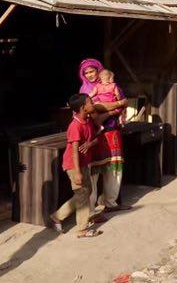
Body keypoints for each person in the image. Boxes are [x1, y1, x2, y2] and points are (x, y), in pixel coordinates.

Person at [79, 59, 128, 214]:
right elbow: (93, 108)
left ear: (99, 71)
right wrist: (114, 108)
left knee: (114, 169)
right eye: (86, 73)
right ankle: (90, 210)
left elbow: (125, 102)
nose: (90, 75)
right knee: (93, 172)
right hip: (93, 133)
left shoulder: (112, 85)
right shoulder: (85, 91)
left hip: (112, 131)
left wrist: (114, 108)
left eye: (92, 71)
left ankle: (110, 202)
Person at [50, 94, 102, 238]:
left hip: (83, 163)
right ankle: (81, 229)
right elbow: (74, 152)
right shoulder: (75, 126)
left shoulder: (88, 120)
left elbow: (96, 138)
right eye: (90, 102)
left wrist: (90, 144)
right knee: (82, 194)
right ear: (83, 107)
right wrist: (78, 172)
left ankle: (56, 216)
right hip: (74, 165)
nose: (93, 103)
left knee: (86, 192)